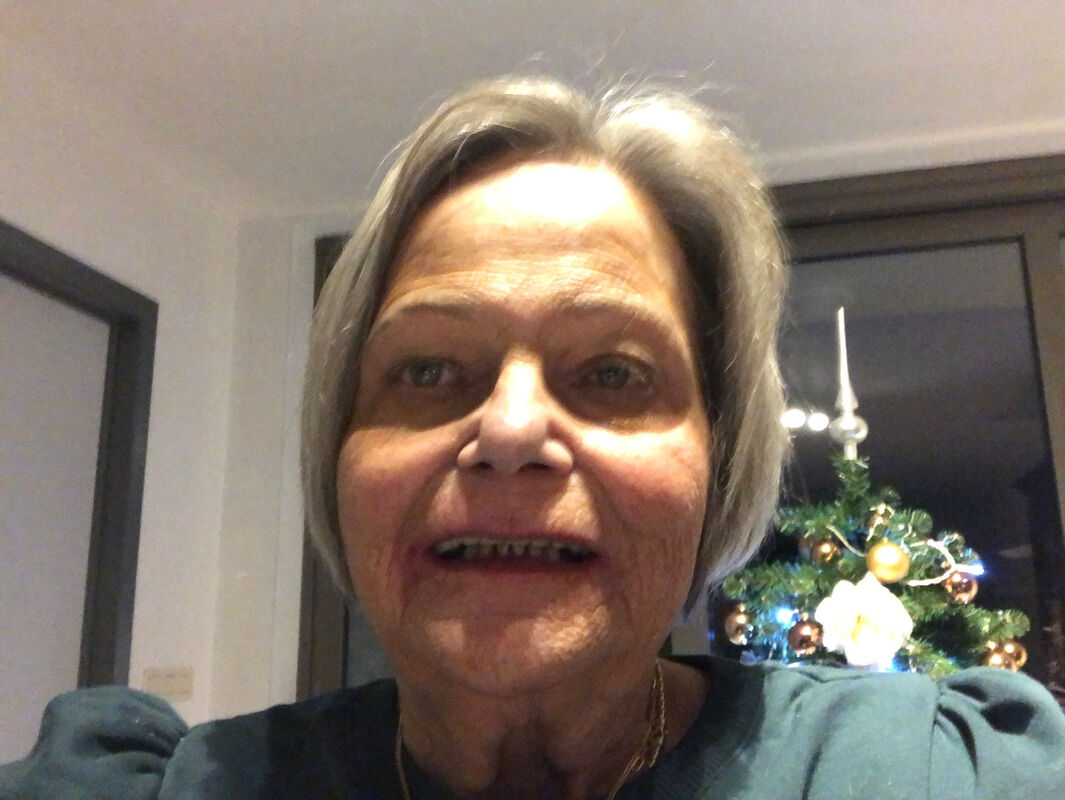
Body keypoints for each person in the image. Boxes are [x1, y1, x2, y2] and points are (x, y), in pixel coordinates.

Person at [2, 76, 1063, 800]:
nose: (509, 431)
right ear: (337, 454)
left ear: (720, 458)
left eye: (613, 372)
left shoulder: (937, 772)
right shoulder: (163, 786)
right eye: (427, 369)